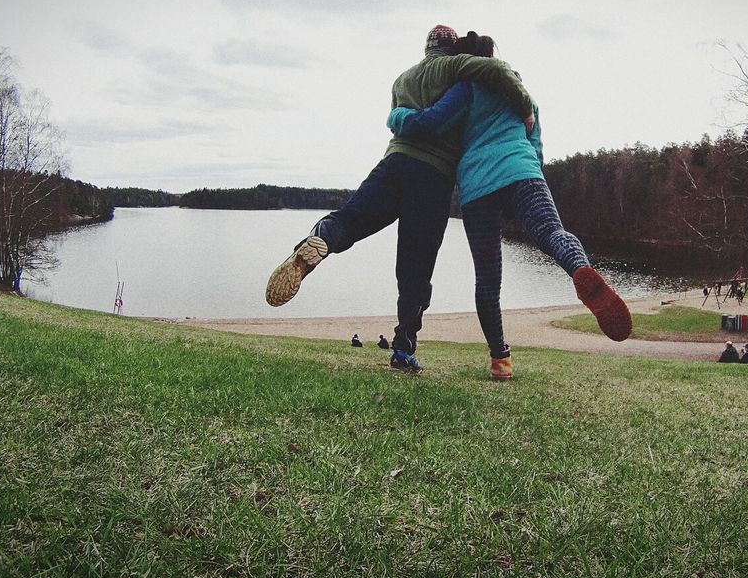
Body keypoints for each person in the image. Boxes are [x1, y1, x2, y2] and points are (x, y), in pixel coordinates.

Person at [265, 25, 533, 374]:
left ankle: (318, 240)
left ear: (426, 48)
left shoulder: (401, 79)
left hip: (392, 164)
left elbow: (396, 121)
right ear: (451, 50)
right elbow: (497, 70)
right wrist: (525, 108)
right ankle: (403, 349)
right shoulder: (454, 67)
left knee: (349, 218)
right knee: (414, 270)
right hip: (432, 177)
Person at [388, 31, 632, 381]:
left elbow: (435, 125)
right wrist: (530, 173)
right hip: (523, 172)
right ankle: (580, 268)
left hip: (477, 187)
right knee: (551, 232)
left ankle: (500, 360)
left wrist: (399, 117)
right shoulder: (525, 97)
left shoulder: (464, 89)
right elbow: (537, 147)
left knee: (488, 281)